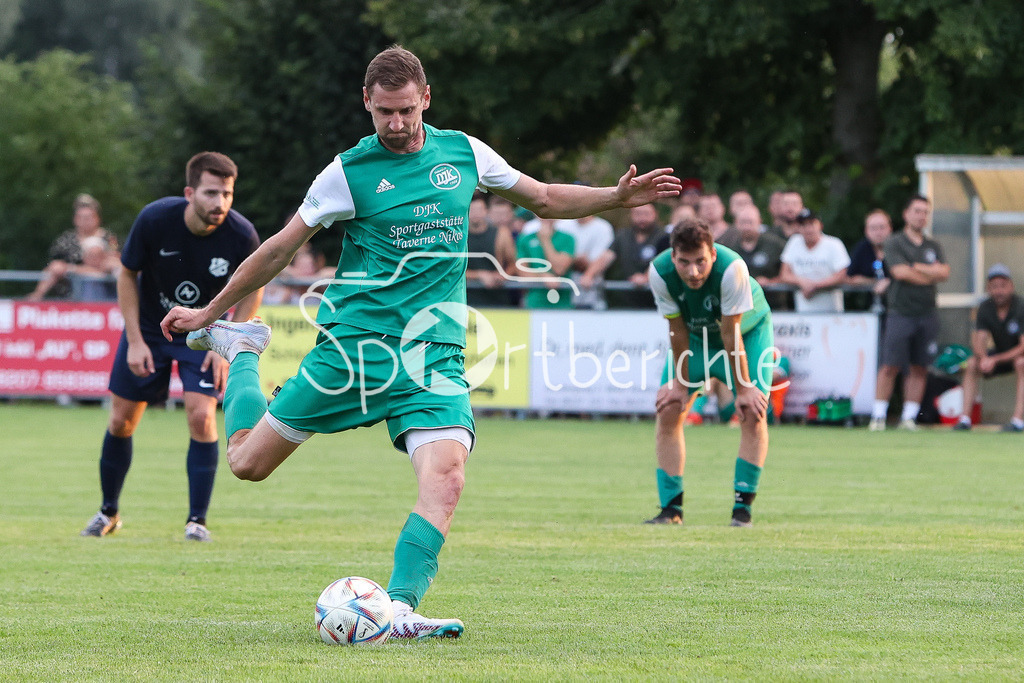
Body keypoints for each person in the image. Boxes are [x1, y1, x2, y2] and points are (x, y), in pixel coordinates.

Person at [159, 46, 680, 639]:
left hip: (432, 356)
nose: (397, 124)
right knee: (247, 464)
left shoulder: (463, 152)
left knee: (447, 476)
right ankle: (245, 350)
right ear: (367, 103)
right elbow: (279, 248)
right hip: (355, 351)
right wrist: (210, 311)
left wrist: (614, 198)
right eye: (384, 112)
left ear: (425, 99)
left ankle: (399, 611)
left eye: (406, 110)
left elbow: (542, 198)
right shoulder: (346, 173)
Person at [80, 152, 262, 542]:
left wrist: (226, 340)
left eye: (227, 194)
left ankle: (197, 522)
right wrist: (134, 340)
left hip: (205, 333)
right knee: (121, 421)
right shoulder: (155, 220)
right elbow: (127, 274)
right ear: (189, 192)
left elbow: (255, 284)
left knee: (201, 417)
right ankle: (108, 512)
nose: (220, 203)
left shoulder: (242, 234)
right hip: (149, 328)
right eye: (211, 193)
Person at [644, 219, 773, 527]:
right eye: (684, 263)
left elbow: (731, 333)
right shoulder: (659, 272)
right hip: (696, 339)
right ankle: (671, 509)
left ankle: (742, 511)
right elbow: (676, 330)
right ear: (673, 256)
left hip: (748, 334)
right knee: (670, 409)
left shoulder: (732, 269)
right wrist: (678, 385)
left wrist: (743, 389)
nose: (693, 272)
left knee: (753, 412)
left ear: (713, 254)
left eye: (700, 261)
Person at [869, 195, 949, 431]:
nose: (921, 216)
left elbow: (944, 272)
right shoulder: (895, 242)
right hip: (901, 312)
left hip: (927, 313)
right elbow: (899, 272)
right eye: (917, 211)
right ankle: (878, 417)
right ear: (906, 214)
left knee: (920, 366)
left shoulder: (933, 246)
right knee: (890, 365)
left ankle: (909, 418)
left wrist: (916, 267)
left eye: (925, 212)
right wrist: (928, 274)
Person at [954, 264, 1024, 432]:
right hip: (998, 355)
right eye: (994, 287)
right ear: (988, 289)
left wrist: (994, 359)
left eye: (1003, 286)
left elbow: (1023, 346)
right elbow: (980, 339)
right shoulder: (986, 307)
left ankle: (1017, 420)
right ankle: (964, 419)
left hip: (1017, 355)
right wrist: (983, 358)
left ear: (1011, 286)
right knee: (971, 363)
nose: (999, 291)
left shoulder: (1020, 306)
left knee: (1022, 363)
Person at [28, 194, 120, 300]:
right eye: (81, 217)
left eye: (88, 217)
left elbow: (115, 258)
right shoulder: (66, 240)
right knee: (55, 267)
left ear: (97, 218)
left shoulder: (109, 238)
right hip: (71, 287)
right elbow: (55, 266)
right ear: (75, 219)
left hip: (105, 286)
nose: (85, 221)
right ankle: (36, 296)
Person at [582, 203, 663, 309]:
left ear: (655, 214)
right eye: (638, 214)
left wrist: (646, 277)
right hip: (623, 303)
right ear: (631, 214)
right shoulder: (623, 235)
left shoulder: (663, 237)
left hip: (653, 304)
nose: (642, 218)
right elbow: (606, 257)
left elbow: (663, 260)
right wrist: (589, 274)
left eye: (646, 214)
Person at [779, 208, 850, 313]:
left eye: (811, 223)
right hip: (803, 312)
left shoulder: (833, 244)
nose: (808, 229)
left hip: (832, 311)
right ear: (798, 228)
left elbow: (842, 274)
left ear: (820, 225)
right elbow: (784, 274)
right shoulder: (794, 243)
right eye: (803, 225)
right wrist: (802, 282)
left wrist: (815, 286)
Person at [465, 192, 516, 308]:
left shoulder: (501, 234)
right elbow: (454, 270)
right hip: (467, 300)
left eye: (479, 209)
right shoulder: (459, 237)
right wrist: (479, 275)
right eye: (472, 210)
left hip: (497, 298)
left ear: (486, 211)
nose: (476, 214)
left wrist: (503, 276)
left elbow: (513, 265)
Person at [732, 204, 787, 310]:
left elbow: (791, 272)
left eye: (750, 222)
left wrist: (771, 282)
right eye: (743, 222)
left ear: (759, 222)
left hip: (774, 307)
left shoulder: (775, 244)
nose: (747, 227)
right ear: (736, 223)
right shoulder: (730, 248)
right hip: (741, 308)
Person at [556, 213, 615, 310]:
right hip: (563, 294)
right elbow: (556, 262)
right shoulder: (561, 225)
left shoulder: (603, 227)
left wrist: (569, 259)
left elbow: (600, 260)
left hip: (591, 293)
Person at [515, 218, 575, 308]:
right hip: (534, 304)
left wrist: (545, 241)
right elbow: (521, 272)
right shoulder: (525, 239)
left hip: (563, 305)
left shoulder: (568, 238)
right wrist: (542, 276)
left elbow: (559, 269)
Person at [847, 209, 893, 307]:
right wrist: (876, 283)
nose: (878, 232)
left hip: (899, 309)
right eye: (873, 228)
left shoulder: (898, 248)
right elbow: (850, 277)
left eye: (882, 227)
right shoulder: (861, 249)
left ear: (890, 228)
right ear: (866, 231)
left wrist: (890, 282)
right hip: (869, 308)